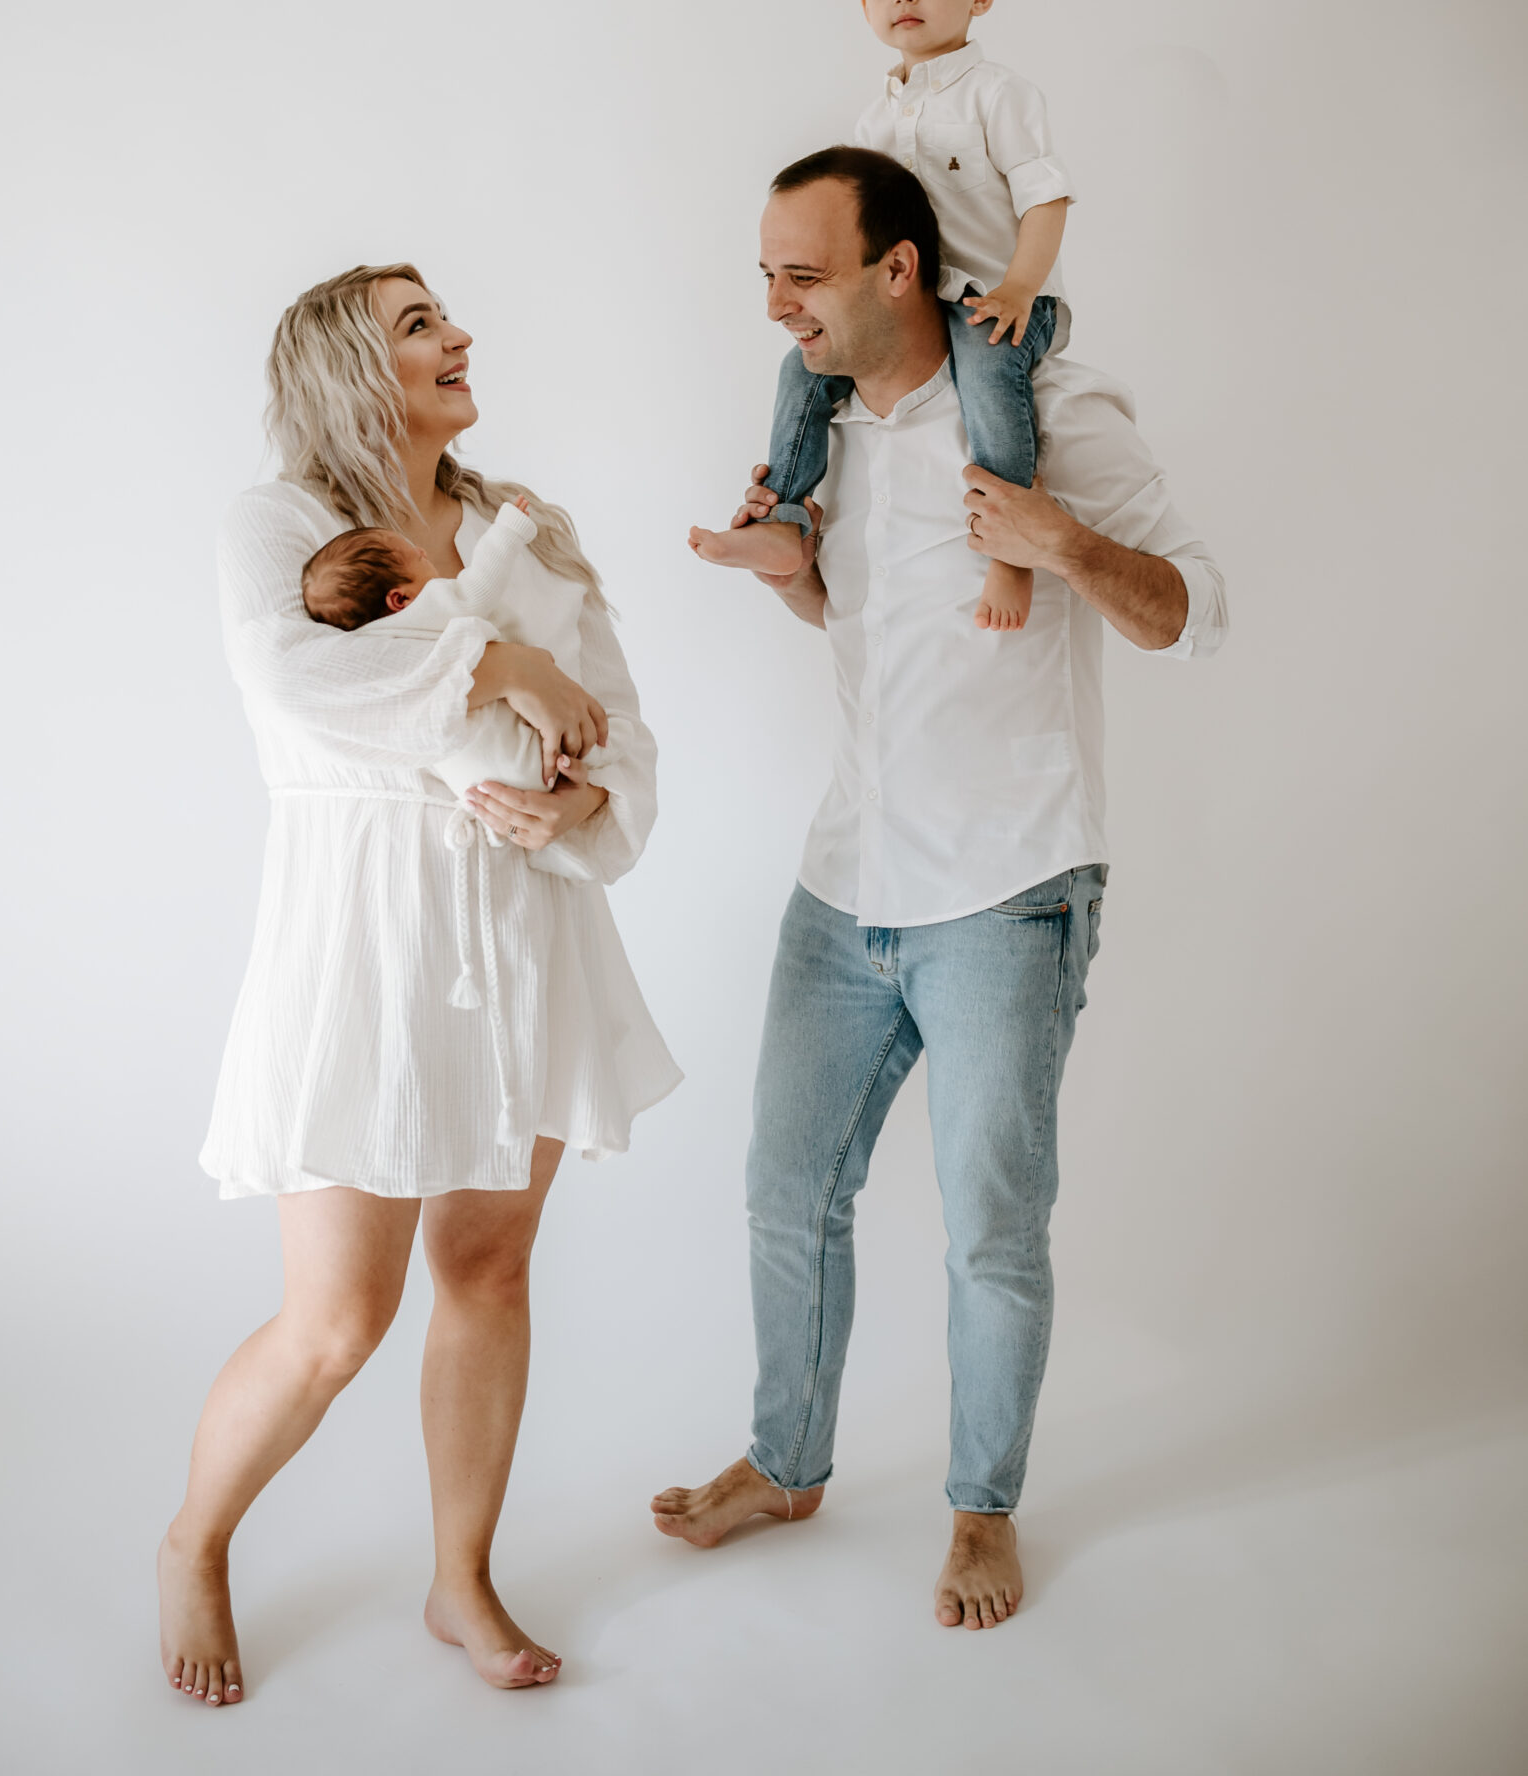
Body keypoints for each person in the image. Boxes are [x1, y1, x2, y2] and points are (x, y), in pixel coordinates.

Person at [654, 150, 1226, 1629]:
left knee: (989, 1229)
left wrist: (1063, 543)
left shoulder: (1048, 410)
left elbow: (1193, 611)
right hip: (845, 880)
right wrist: (786, 574)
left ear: (897, 268)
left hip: (1008, 889)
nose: (775, 306)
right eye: (764, 276)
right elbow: (867, 622)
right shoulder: (829, 430)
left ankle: (982, 1509)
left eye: (802, 276)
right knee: (786, 1190)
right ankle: (786, 1464)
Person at [158, 263, 680, 1706]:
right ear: (345, 366)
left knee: (490, 1265)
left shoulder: (530, 530)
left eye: (444, 316)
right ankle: (194, 1541)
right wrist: (499, 659)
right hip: (364, 935)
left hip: (523, 922)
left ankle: (461, 1576)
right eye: (417, 325)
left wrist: (583, 802)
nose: (458, 337)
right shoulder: (279, 524)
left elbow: (621, 726)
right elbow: (294, 679)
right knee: (337, 1320)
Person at [690, 0, 1074, 632]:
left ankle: (1010, 547)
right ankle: (786, 518)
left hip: (999, 300)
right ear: (864, 3)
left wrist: (1020, 288)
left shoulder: (999, 96)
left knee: (987, 374)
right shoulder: (875, 121)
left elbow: (1045, 199)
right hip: (918, 304)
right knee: (802, 372)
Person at [301, 497, 628, 846]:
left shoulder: (366, 645)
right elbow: (478, 589)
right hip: (532, 765)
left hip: (474, 780)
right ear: (400, 600)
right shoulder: (425, 608)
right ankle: (602, 758)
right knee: (585, 742)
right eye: (415, 556)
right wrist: (508, 530)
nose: (423, 552)